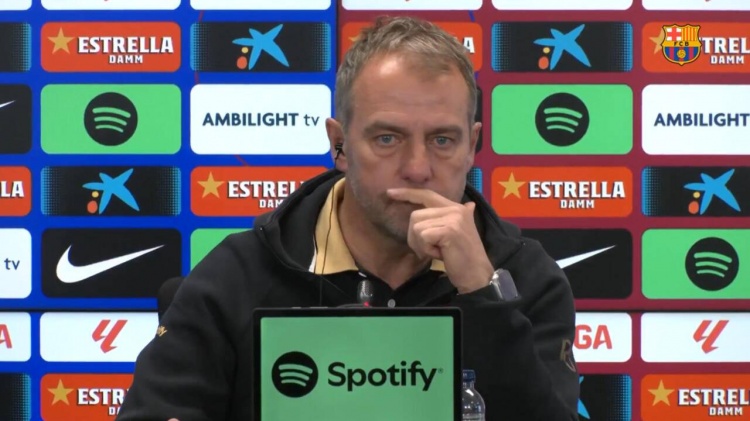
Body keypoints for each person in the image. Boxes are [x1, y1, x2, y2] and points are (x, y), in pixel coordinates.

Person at [116, 15, 579, 421]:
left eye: (443, 140)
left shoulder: (524, 276)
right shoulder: (239, 274)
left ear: (472, 146)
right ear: (339, 145)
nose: (418, 168)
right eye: (387, 139)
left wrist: (483, 294)